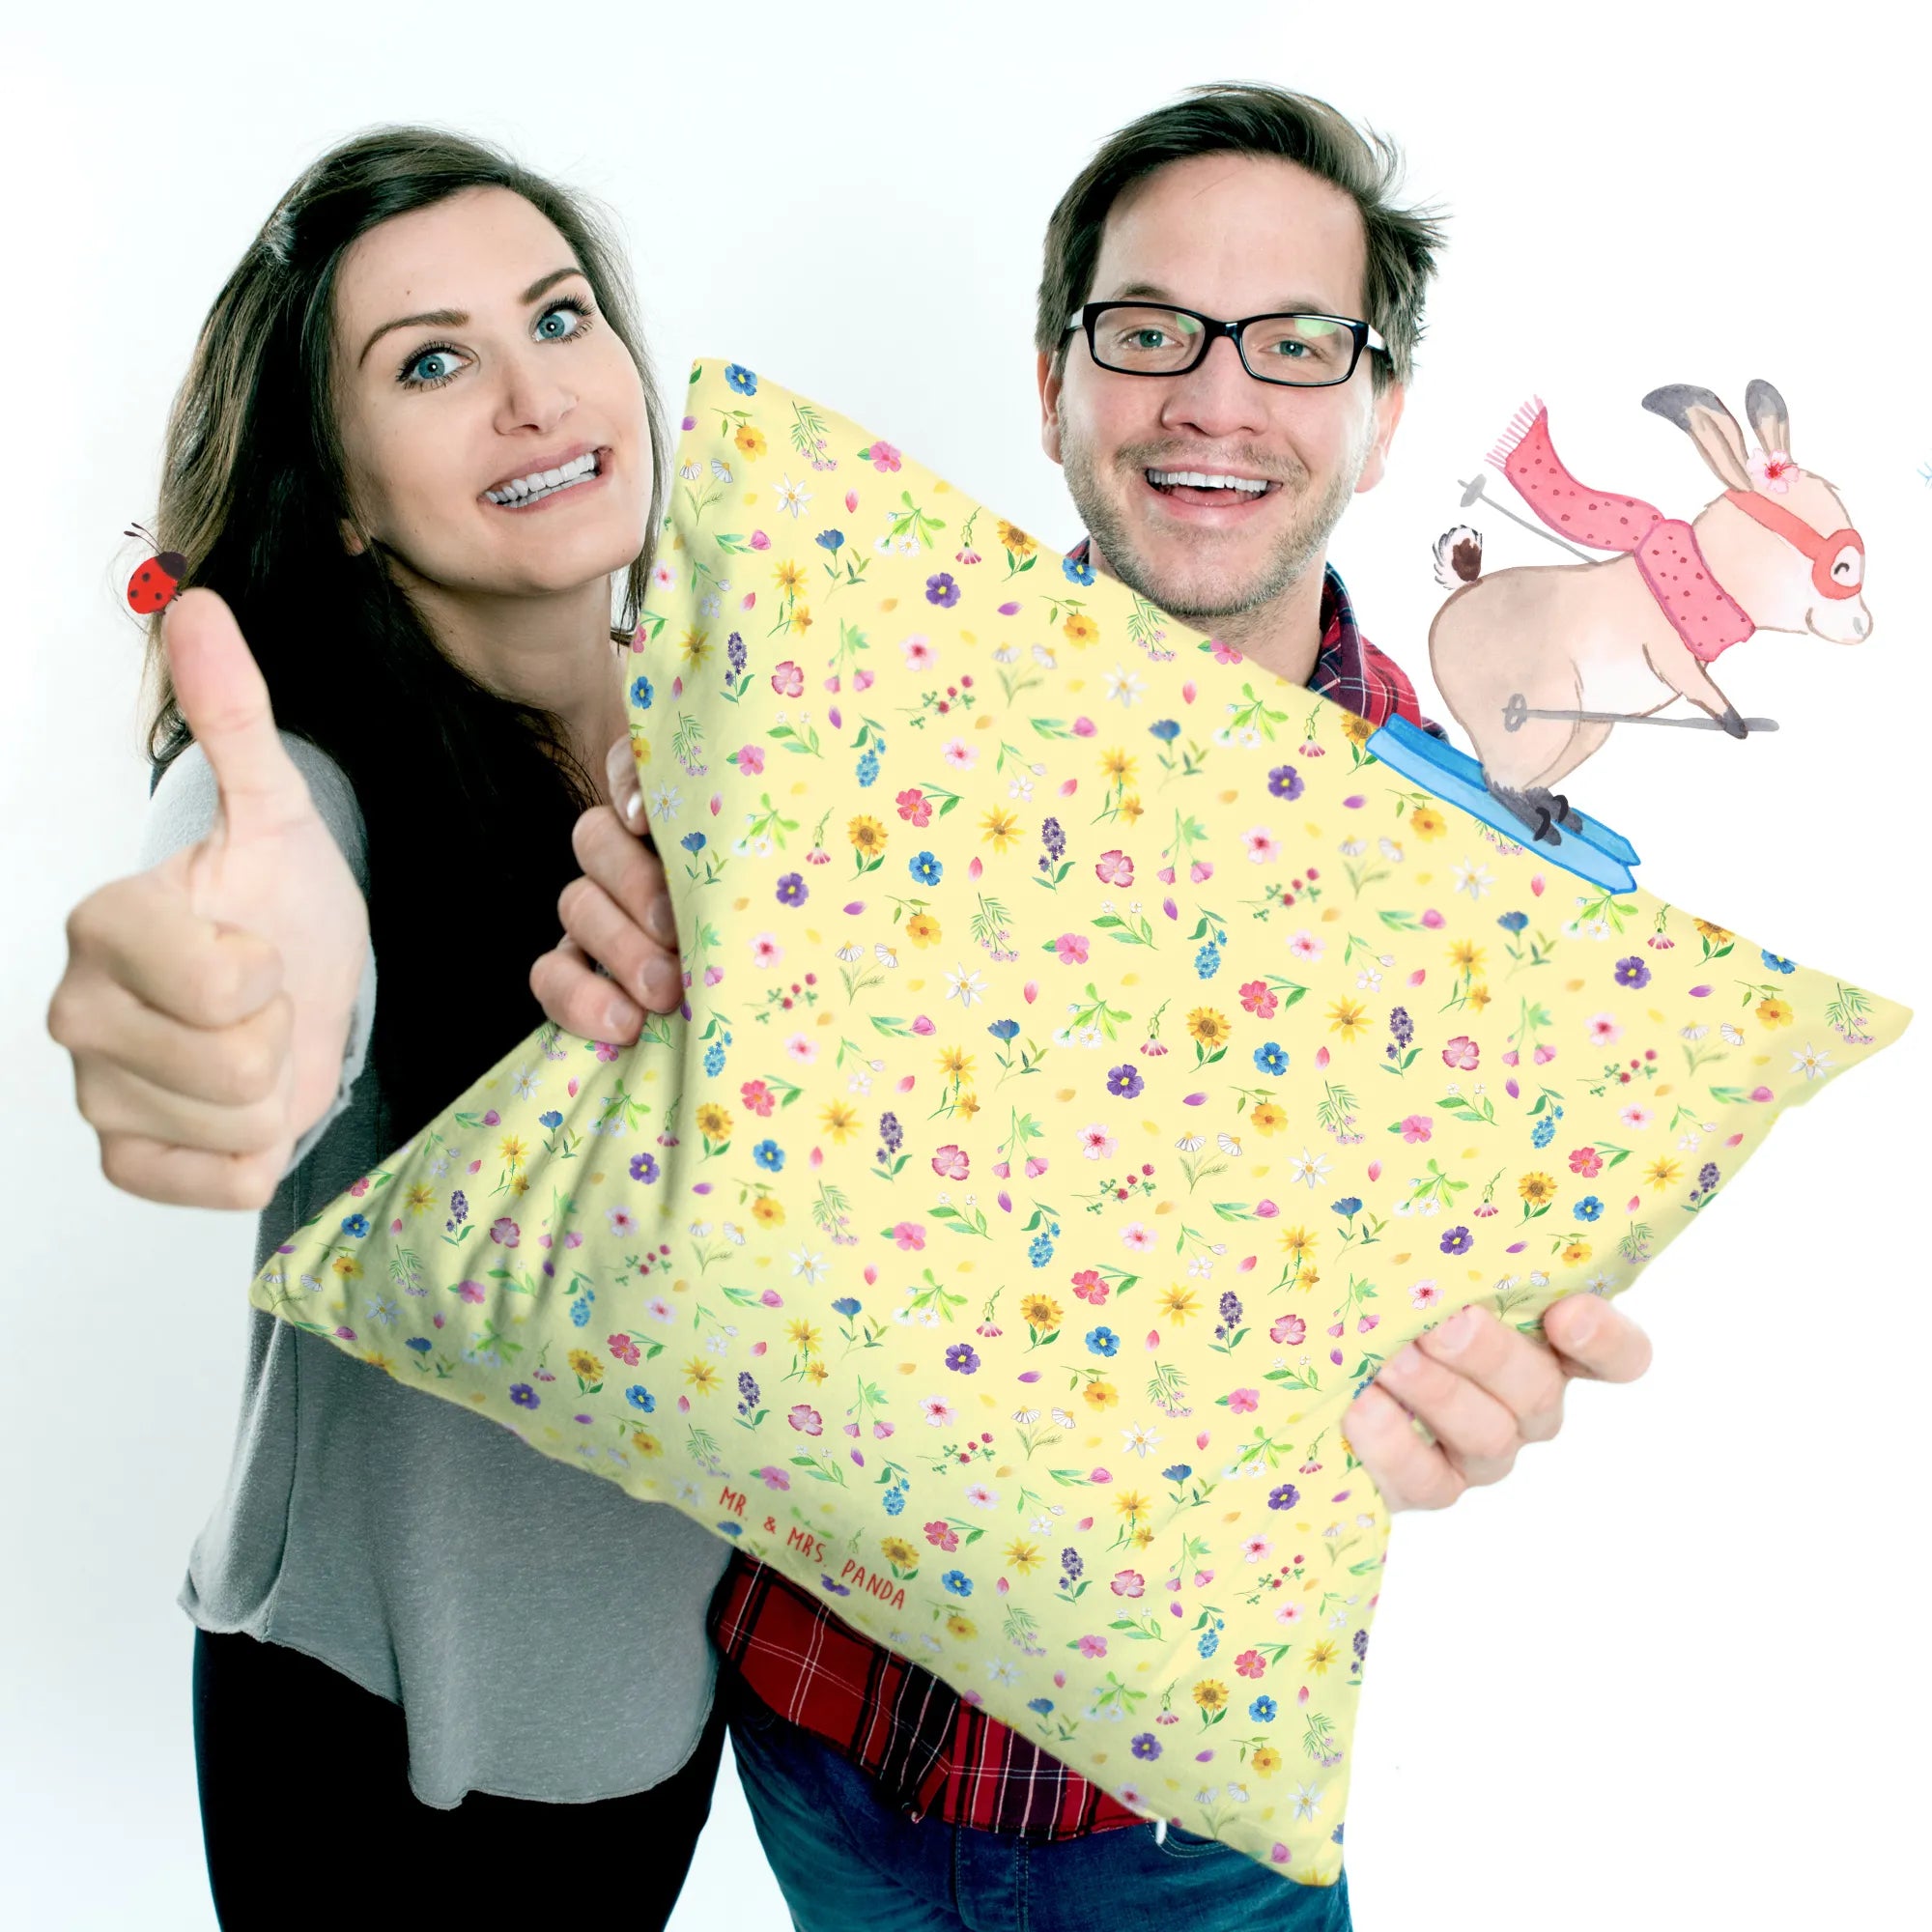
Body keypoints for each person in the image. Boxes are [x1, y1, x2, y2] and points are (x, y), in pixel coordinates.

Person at [534, 84, 1656, 1930]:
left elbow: (1436, 1339)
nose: (1216, 398)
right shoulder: (842, 722)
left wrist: (1476, 1376)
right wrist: (634, 989)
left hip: (1179, 1831)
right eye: (1150, 333)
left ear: (1379, 419)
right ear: (1054, 383)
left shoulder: (1487, 893)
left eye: (1296, 343)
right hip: (807, 1737)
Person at [45, 129, 719, 1929]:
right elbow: (252, 909)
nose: (532, 395)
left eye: (558, 318)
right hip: (381, 1748)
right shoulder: (309, 785)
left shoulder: (734, 749)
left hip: (664, 1714)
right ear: (341, 497)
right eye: (430, 363)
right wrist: (223, 1002)